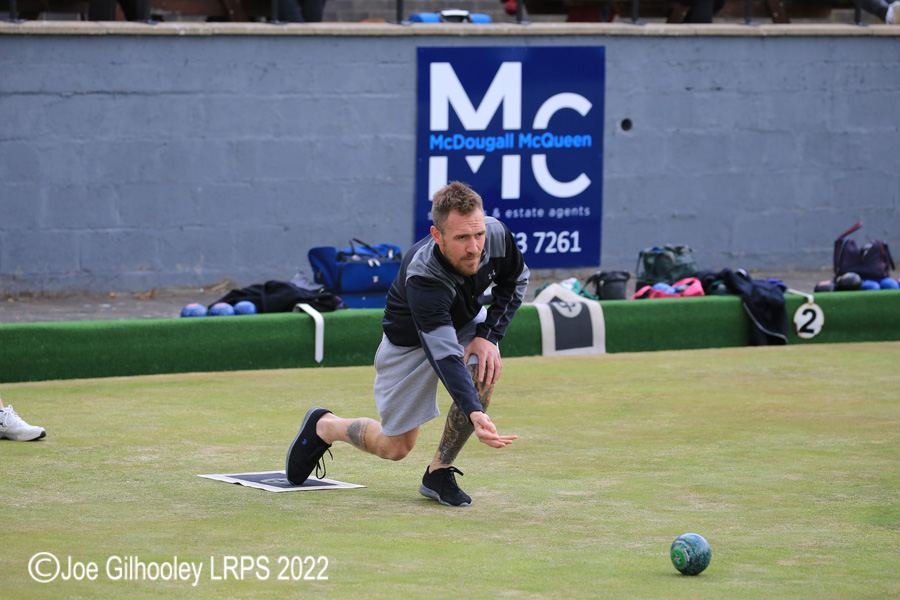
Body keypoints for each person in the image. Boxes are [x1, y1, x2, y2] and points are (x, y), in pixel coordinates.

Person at [286, 181, 530, 507]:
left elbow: (515, 280)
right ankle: (325, 426)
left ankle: (438, 472)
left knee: (482, 369)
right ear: (437, 235)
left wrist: (488, 336)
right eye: (461, 238)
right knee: (396, 448)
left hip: (464, 322)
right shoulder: (424, 277)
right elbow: (444, 356)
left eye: (478, 234)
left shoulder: (495, 234)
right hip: (410, 343)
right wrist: (474, 412)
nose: (474, 248)